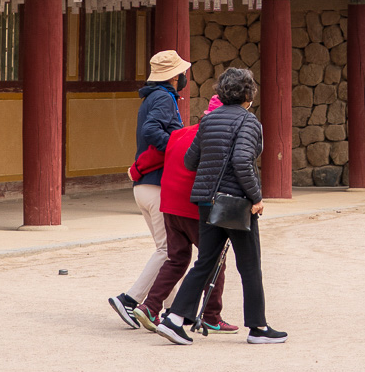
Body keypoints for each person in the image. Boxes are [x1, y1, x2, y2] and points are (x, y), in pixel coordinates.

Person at [155, 67, 286, 345]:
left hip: (206, 201)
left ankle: (175, 319)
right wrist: (256, 197)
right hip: (236, 203)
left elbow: (191, 161)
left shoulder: (208, 121)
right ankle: (258, 328)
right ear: (248, 94)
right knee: (249, 265)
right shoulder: (249, 122)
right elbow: (242, 162)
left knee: (205, 262)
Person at [134, 95, 232, 333]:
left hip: (168, 204)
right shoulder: (216, 136)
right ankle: (211, 315)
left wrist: (135, 172)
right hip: (193, 207)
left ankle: (149, 306)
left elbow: (156, 157)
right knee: (214, 258)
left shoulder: (179, 134)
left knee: (176, 259)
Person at [109, 49, 188, 329]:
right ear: (173, 77)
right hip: (156, 185)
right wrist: (178, 148)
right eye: (181, 73)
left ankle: (167, 310)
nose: (184, 77)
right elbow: (152, 132)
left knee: (167, 251)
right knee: (168, 252)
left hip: (144, 185)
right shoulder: (165, 98)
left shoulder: (152, 98)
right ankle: (130, 299)